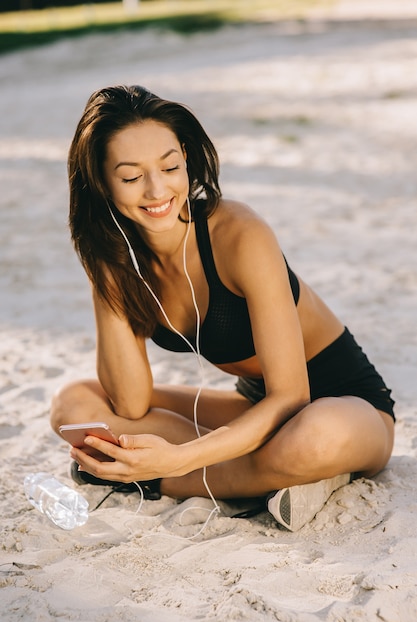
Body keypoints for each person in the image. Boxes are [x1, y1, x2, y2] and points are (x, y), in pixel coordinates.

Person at [50, 84, 395, 532]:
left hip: (342, 408)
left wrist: (175, 462)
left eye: (170, 166)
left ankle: (164, 482)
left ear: (187, 160)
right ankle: (276, 481)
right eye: (132, 177)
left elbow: (292, 397)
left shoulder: (237, 233)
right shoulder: (120, 261)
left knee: (314, 439)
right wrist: (104, 266)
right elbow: (130, 403)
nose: (157, 190)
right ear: (101, 181)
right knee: (76, 405)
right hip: (253, 408)